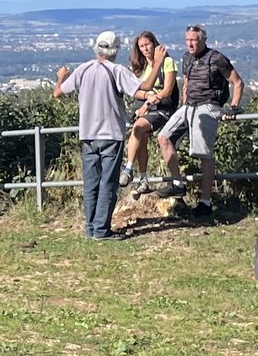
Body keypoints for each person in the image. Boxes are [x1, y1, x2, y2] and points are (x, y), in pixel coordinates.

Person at [54, 29, 139, 239]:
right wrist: (156, 65)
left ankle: (91, 228)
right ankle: (102, 230)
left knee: (91, 184)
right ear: (115, 50)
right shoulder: (117, 70)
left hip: (88, 134)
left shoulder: (83, 70)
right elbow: (139, 89)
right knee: (108, 184)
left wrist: (61, 77)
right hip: (111, 134)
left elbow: (58, 92)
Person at [155, 23, 245, 212]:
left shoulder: (217, 58)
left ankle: (205, 202)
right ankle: (177, 183)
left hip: (208, 106)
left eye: (194, 40)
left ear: (203, 39)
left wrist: (233, 108)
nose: (190, 44)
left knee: (204, 154)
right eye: (187, 40)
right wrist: (184, 103)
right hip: (189, 107)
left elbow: (237, 82)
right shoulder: (187, 58)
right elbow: (187, 82)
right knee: (163, 137)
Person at [123, 31, 176, 191]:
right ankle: (144, 178)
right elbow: (135, 90)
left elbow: (167, 90)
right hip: (142, 107)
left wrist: (148, 103)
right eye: (141, 46)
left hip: (161, 108)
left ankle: (128, 169)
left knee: (138, 128)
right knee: (141, 138)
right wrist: (146, 96)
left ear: (154, 43)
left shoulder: (167, 62)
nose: (145, 49)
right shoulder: (140, 67)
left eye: (147, 44)